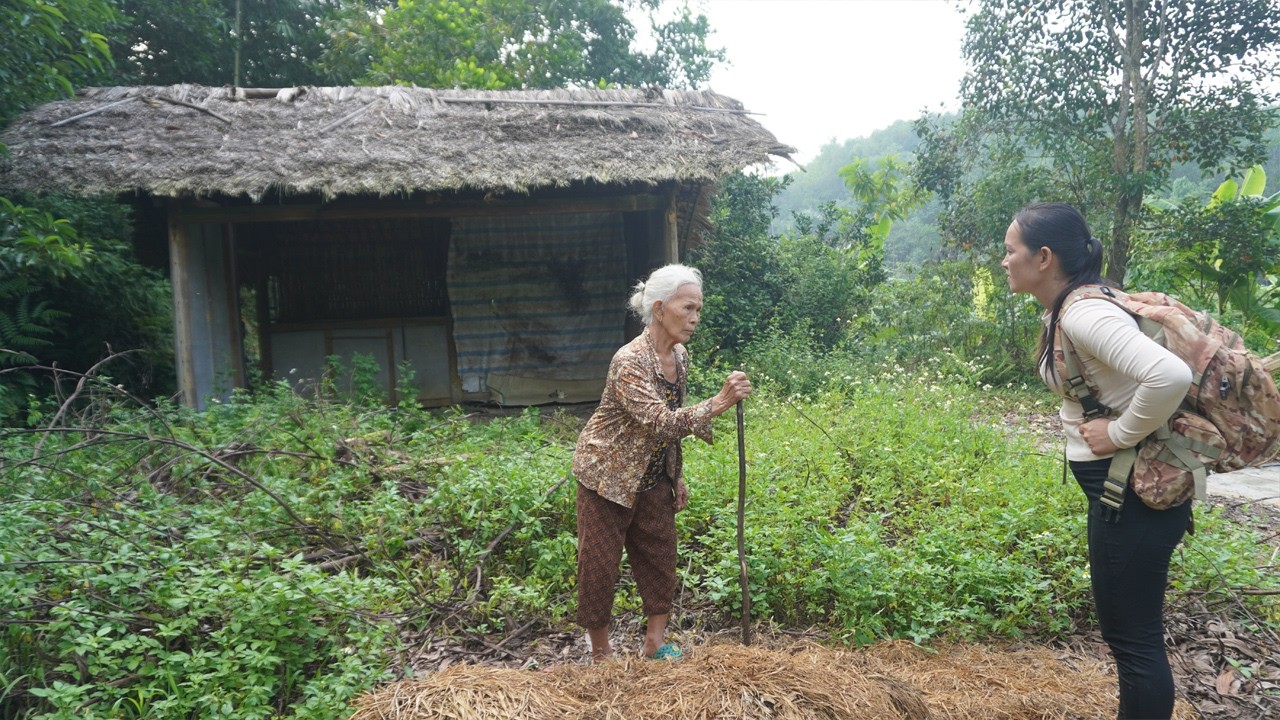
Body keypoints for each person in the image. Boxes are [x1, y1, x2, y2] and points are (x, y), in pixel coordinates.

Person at [1002, 202, 1193, 719]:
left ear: (1043, 258)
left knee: (1134, 642)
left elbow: (1170, 376)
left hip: (1133, 497)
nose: (1003, 261)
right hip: (1124, 493)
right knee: (1130, 637)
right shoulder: (1076, 304)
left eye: (1010, 250)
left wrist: (1119, 432)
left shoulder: (1085, 312)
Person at [572, 263, 752, 662]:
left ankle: (654, 645)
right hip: (607, 476)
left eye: (698, 310)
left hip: (653, 474)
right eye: (687, 308)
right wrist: (719, 402)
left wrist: (677, 476)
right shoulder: (629, 361)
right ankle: (601, 655)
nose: (694, 318)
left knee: (659, 556)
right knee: (599, 565)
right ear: (659, 309)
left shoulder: (680, 356)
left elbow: (674, 414)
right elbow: (659, 420)